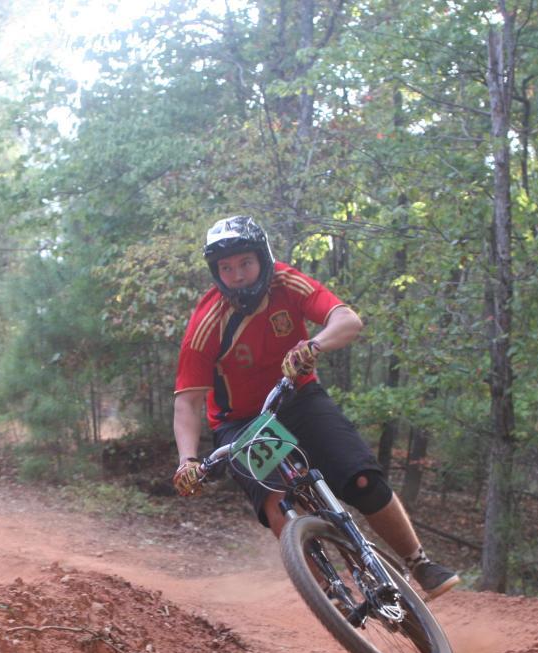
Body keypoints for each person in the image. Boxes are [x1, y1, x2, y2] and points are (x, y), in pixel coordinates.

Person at [170, 215, 459, 600]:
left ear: (263, 258)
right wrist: (187, 460)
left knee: (361, 480)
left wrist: (315, 345)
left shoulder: (287, 283)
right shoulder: (208, 321)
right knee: (278, 500)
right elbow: (188, 401)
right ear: (216, 273)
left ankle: (420, 562)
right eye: (226, 268)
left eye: (245, 263)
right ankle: (325, 591)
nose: (237, 275)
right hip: (242, 424)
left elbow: (347, 319)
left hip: (297, 396)